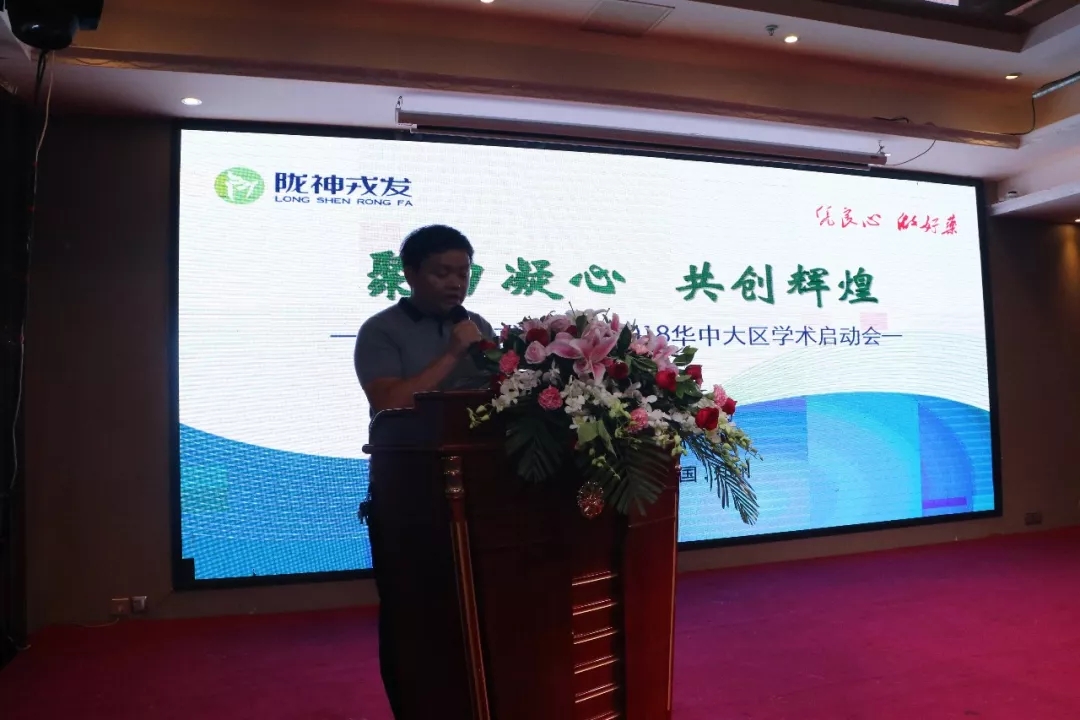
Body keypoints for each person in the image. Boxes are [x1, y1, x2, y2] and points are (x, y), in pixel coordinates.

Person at [353, 224, 494, 718]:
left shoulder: (478, 325)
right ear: (411, 274)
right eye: (442, 272)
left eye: (463, 273)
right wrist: (453, 353)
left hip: (479, 490)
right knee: (411, 614)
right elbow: (389, 402)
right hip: (408, 495)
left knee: (476, 608)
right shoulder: (380, 330)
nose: (456, 283)